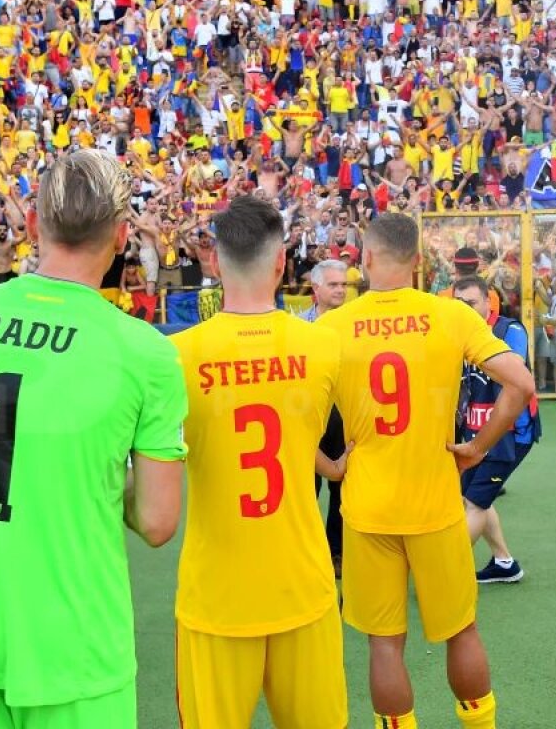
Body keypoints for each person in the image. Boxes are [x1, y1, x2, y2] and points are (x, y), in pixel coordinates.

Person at [0, 150, 188, 729]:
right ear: (121, 235)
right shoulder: (145, 353)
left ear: (34, 225)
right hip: (74, 642)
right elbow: (159, 521)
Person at [317, 213, 535, 729]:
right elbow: (521, 384)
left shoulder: (330, 328)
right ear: (419, 262)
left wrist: (330, 465)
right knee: (461, 631)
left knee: (385, 644)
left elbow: (291, 416)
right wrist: (479, 446)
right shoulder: (451, 315)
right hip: (436, 502)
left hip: (368, 507)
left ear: (364, 260)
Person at [168, 196, 349, 728]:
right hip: (304, 586)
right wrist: (333, 468)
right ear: (280, 263)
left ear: (214, 262)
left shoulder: (177, 354)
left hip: (215, 596)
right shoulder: (323, 347)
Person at [453, 275, 542, 584]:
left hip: (509, 434)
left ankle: (441, 571)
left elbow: (514, 372)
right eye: (458, 303)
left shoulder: (510, 330)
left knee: (474, 504)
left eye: (470, 303)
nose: (463, 309)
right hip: (475, 433)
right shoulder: (457, 332)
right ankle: (505, 563)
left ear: (487, 302)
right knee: (476, 498)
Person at [303, 258, 350, 575]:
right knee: (305, 489)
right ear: (316, 287)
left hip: (342, 415)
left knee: (341, 489)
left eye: (344, 285)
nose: (341, 290)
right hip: (308, 415)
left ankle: (337, 553)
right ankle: (306, 554)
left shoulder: (353, 324)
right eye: (334, 284)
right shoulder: (299, 327)